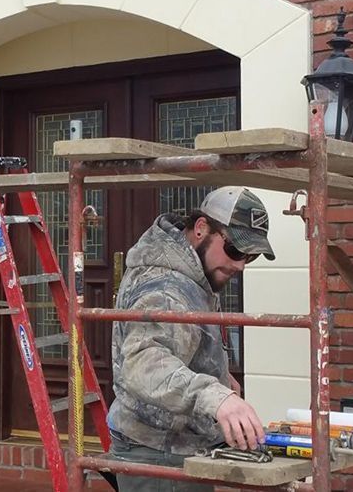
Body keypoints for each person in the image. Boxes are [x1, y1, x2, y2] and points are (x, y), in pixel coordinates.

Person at [107, 186, 276, 491]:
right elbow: (143, 363)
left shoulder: (194, 274)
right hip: (159, 453)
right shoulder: (165, 287)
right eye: (235, 250)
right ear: (201, 229)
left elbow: (181, 345)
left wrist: (220, 377)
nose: (239, 265)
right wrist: (216, 397)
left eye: (249, 257)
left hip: (174, 447)